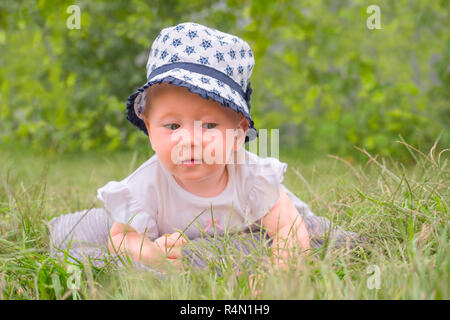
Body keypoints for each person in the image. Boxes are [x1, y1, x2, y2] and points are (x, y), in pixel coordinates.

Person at [48, 22, 361, 273]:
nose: (189, 140)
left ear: (238, 132)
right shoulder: (146, 186)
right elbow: (121, 238)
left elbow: (289, 231)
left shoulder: (252, 178)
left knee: (313, 232)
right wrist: (153, 254)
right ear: (148, 128)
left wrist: (277, 277)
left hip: (259, 220)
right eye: (172, 126)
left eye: (209, 126)